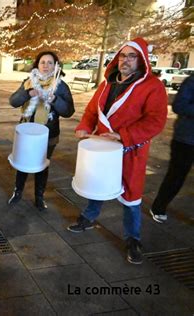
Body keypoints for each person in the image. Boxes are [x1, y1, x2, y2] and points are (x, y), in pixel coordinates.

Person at [66, 38, 168, 265]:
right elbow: (92, 111)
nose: (126, 61)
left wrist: (123, 135)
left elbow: (156, 121)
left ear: (141, 60)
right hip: (103, 149)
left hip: (131, 150)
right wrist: (84, 127)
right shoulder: (106, 84)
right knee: (97, 184)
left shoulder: (153, 86)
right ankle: (88, 218)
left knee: (131, 195)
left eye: (132, 56)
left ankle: (133, 238)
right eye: (123, 56)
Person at [7, 51, 75, 210]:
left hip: (48, 135)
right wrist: (28, 93)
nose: (46, 65)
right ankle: (17, 192)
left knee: (42, 165)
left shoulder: (60, 86)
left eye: (50, 62)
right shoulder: (28, 82)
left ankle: (39, 196)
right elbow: (13, 101)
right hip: (27, 133)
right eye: (42, 62)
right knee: (23, 163)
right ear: (37, 64)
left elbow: (68, 111)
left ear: (56, 66)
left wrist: (54, 100)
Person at [150, 73, 194, 223]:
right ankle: (158, 207)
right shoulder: (192, 80)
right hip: (186, 139)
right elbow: (178, 105)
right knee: (176, 176)